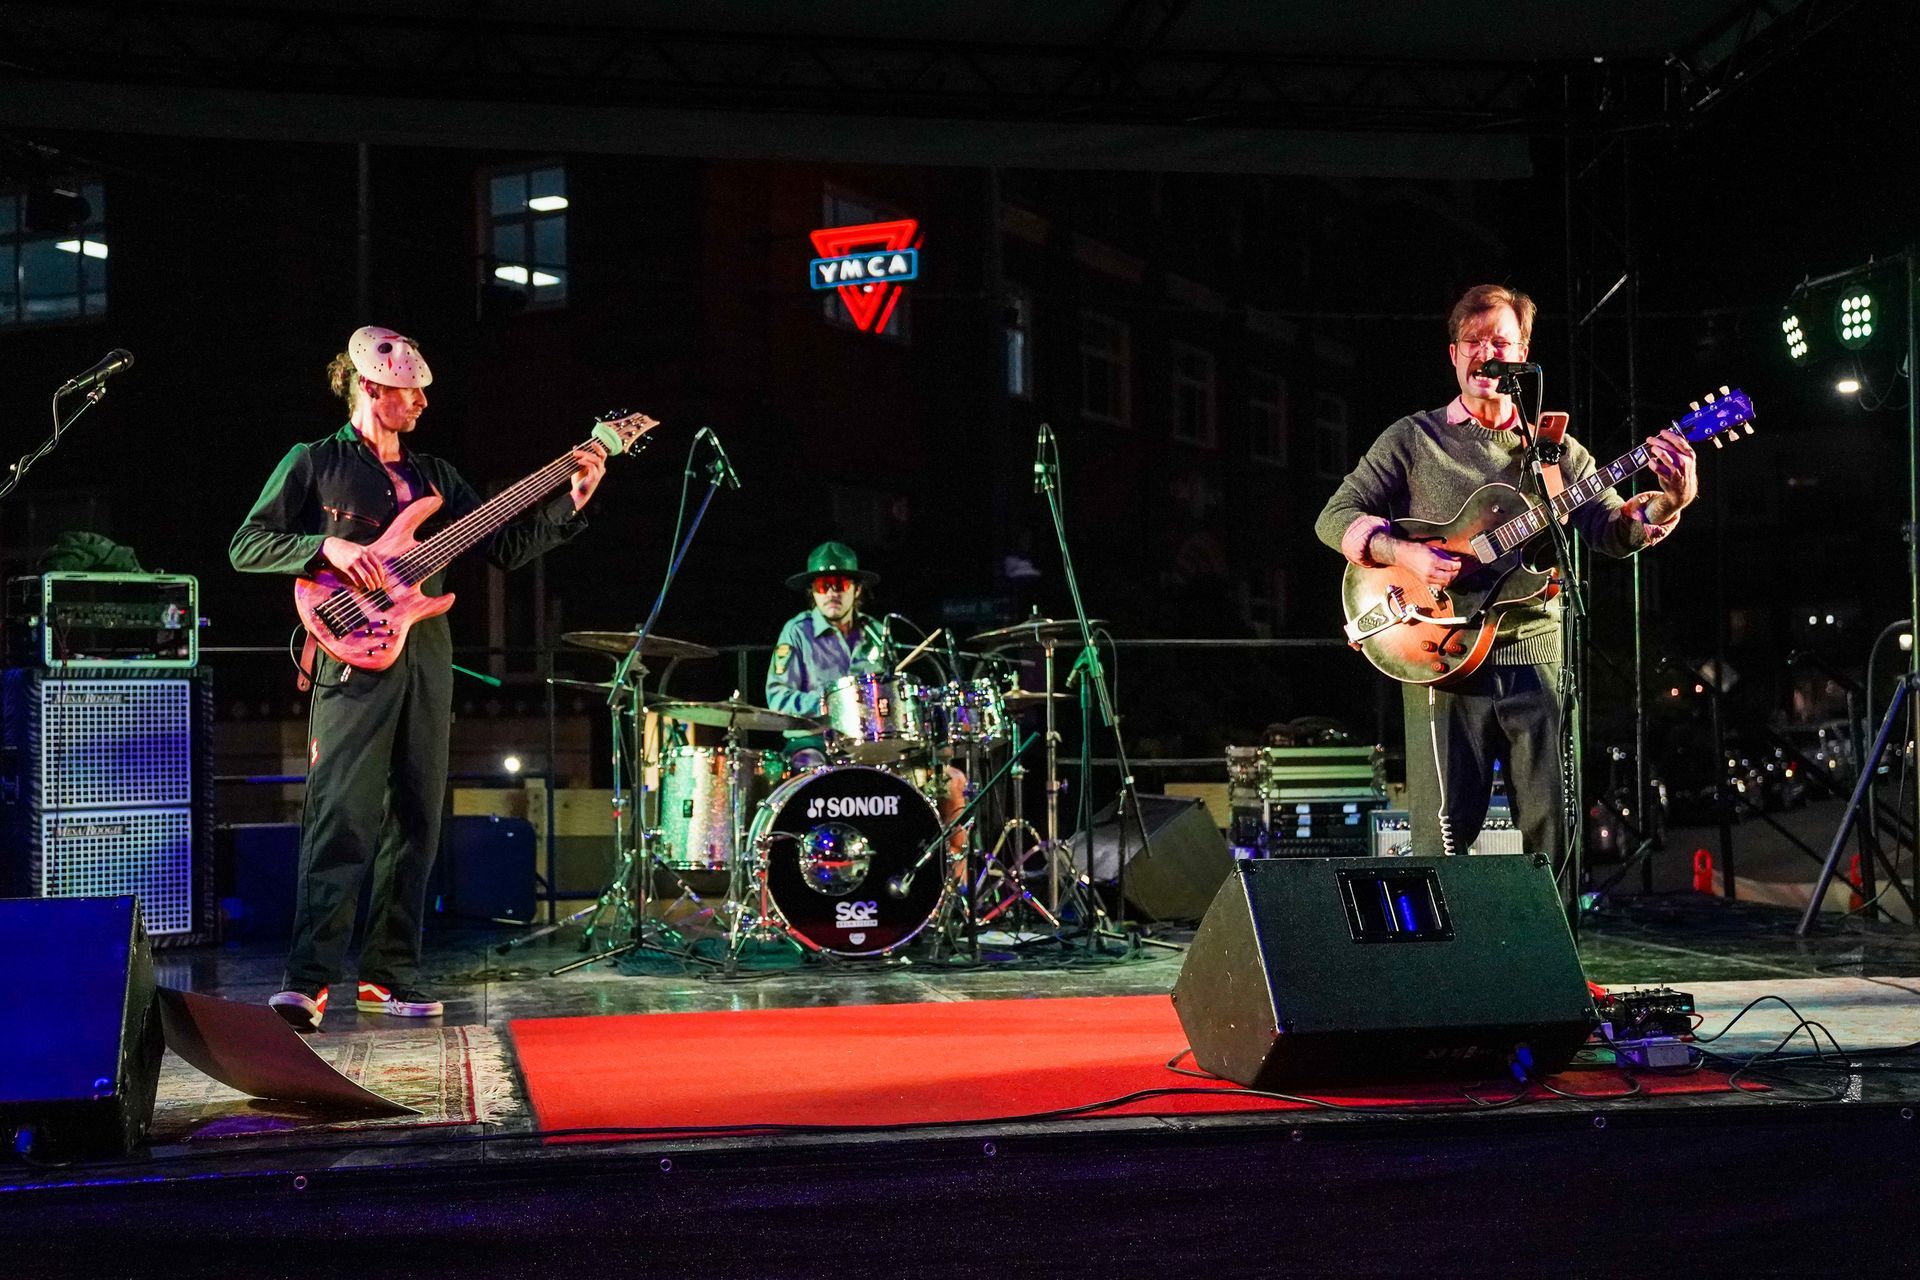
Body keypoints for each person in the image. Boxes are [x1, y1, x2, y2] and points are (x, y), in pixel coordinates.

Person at [232, 326, 622, 1030]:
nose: (421, 402)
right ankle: (309, 979)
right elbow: (247, 544)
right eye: (409, 391)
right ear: (369, 388)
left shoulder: (437, 477)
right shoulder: (314, 463)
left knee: (418, 816)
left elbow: (507, 545)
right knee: (341, 814)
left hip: (425, 651)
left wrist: (573, 498)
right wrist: (326, 545)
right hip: (348, 654)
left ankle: (390, 972)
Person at [1314, 284, 1697, 864]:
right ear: (1453, 354)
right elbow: (1333, 518)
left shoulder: (1556, 452)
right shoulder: (1415, 438)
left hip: (1535, 653)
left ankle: (1550, 947)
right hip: (1439, 658)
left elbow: (1611, 529)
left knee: (1553, 832)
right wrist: (1403, 553)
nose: (1483, 352)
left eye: (1499, 341)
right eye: (1471, 340)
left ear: (1522, 356)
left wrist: (1668, 502)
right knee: (1441, 839)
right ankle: (1443, 956)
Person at [765, 540, 968, 846]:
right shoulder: (796, 631)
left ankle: (954, 885)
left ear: (856, 589)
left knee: (951, 781)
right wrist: (829, 705)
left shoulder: (876, 631)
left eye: (840, 584)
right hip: (815, 743)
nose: (832, 592)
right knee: (809, 773)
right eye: (823, 585)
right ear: (813, 592)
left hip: (875, 749)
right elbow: (777, 697)